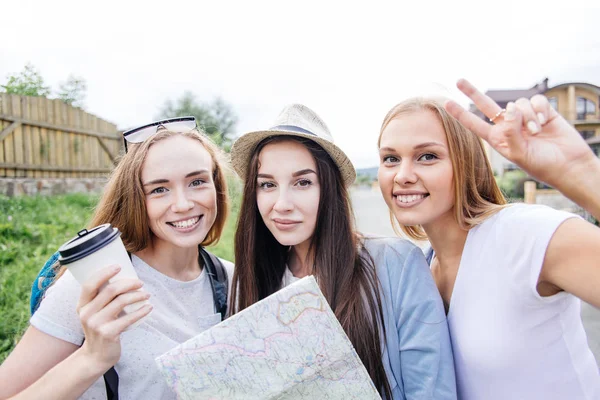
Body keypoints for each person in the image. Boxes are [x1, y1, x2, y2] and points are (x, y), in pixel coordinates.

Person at [376, 79, 600, 400]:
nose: (402, 175)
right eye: (390, 158)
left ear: (466, 161)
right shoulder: (421, 270)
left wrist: (582, 173)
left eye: (427, 156)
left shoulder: (520, 234)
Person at [229, 104, 457, 399]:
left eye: (303, 182)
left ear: (330, 188)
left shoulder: (395, 264)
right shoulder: (251, 281)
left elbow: (431, 390)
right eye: (267, 184)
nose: (281, 203)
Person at [0, 117, 233, 400]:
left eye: (197, 181)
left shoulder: (233, 280)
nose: (183, 204)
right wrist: (92, 357)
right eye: (159, 189)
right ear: (136, 198)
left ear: (217, 187)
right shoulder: (94, 284)